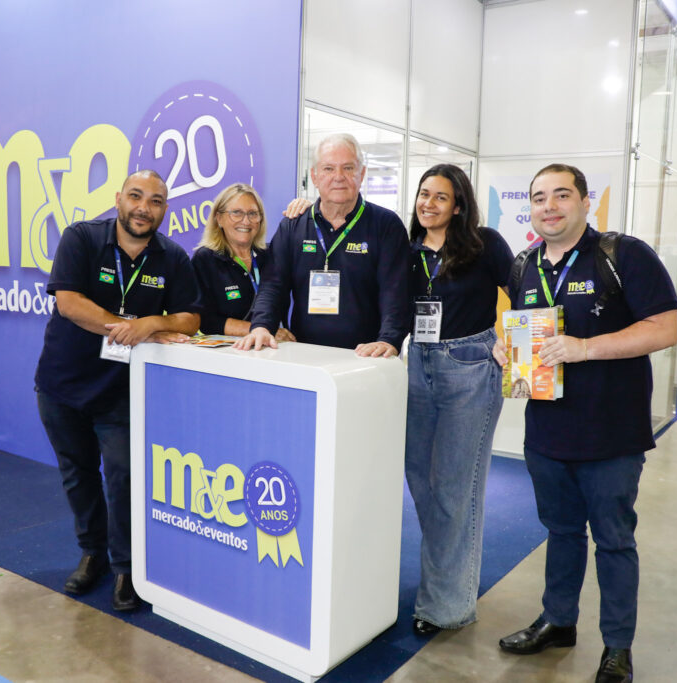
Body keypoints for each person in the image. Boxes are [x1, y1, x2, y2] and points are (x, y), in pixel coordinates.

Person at [494, 164, 677, 683]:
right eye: (538, 198)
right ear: (529, 208)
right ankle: (558, 620)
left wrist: (584, 349)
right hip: (547, 432)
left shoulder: (623, 255)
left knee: (615, 540)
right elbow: (511, 326)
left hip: (611, 435)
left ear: (584, 201)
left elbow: (665, 328)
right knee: (561, 532)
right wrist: (503, 349)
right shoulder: (523, 263)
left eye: (561, 195)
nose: (549, 206)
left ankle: (617, 647)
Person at [34, 170, 200, 611]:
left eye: (156, 201)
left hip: (121, 391)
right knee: (77, 473)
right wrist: (130, 328)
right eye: (136, 196)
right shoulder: (81, 238)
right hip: (62, 384)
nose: (145, 207)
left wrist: (153, 323)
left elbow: (190, 318)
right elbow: (67, 302)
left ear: (165, 209)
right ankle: (93, 554)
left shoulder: (173, 258)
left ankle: (126, 567)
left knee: (124, 477)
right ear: (118, 199)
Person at [403, 164, 513, 636]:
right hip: (417, 366)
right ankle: (447, 577)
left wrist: (510, 342)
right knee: (422, 481)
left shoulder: (484, 244)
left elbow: (526, 291)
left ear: (459, 205)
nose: (428, 204)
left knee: (455, 488)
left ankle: (444, 606)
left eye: (440, 197)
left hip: (469, 367)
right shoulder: (407, 252)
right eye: (423, 195)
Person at [233, 133, 410, 356]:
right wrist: (261, 326)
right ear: (314, 176)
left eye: (348, 168)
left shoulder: (386, 225)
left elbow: (395, 292)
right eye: (328, 169)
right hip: (304, 354)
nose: (338, 177)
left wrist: (389, 339)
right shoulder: (293, 225)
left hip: (365, 357)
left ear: (362, 174)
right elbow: (273, 284)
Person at [191, 183, 293, 340]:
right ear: (219, 218)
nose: (246, 221)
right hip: (228, 354)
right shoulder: (205, 259)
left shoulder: (270, 255)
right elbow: (206, 321)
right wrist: (260, 330)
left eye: (253, 213)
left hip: (272, 349)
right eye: (237, 213)